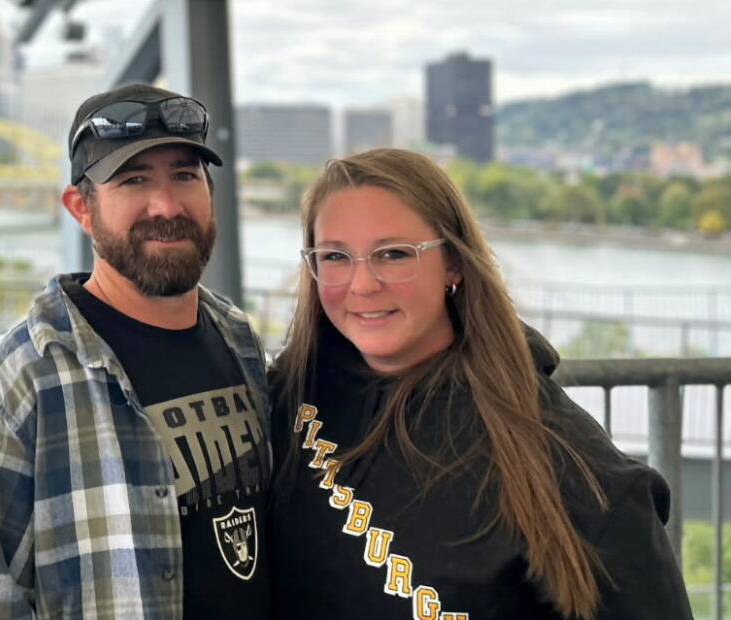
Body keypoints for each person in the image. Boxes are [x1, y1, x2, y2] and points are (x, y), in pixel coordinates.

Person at [268, 148, 692, 619]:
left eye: (394, 254)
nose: (362, 284)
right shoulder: (282, 402)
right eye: (335, 257)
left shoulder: (568, 467)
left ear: (454, 264)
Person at [0, 83, 272, 619]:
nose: (167, 205)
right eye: (134, 180)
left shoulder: (241, 342)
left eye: (185, 175)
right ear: (81, 209)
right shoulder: (16, 385)